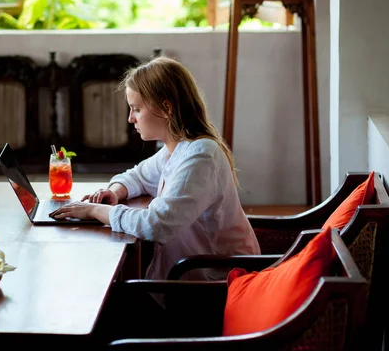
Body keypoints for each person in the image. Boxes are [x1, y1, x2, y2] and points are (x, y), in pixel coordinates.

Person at [51, 55, 261, 341]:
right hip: (185, 279)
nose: (131, 118)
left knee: (99, 308)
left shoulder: (199, 156)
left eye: (136, 109)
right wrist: (114, 191)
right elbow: (138, 175)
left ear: (166, 108)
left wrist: (96, 212)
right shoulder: (176, 148)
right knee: (100, 298)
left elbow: (157, 225)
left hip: (213, 291)